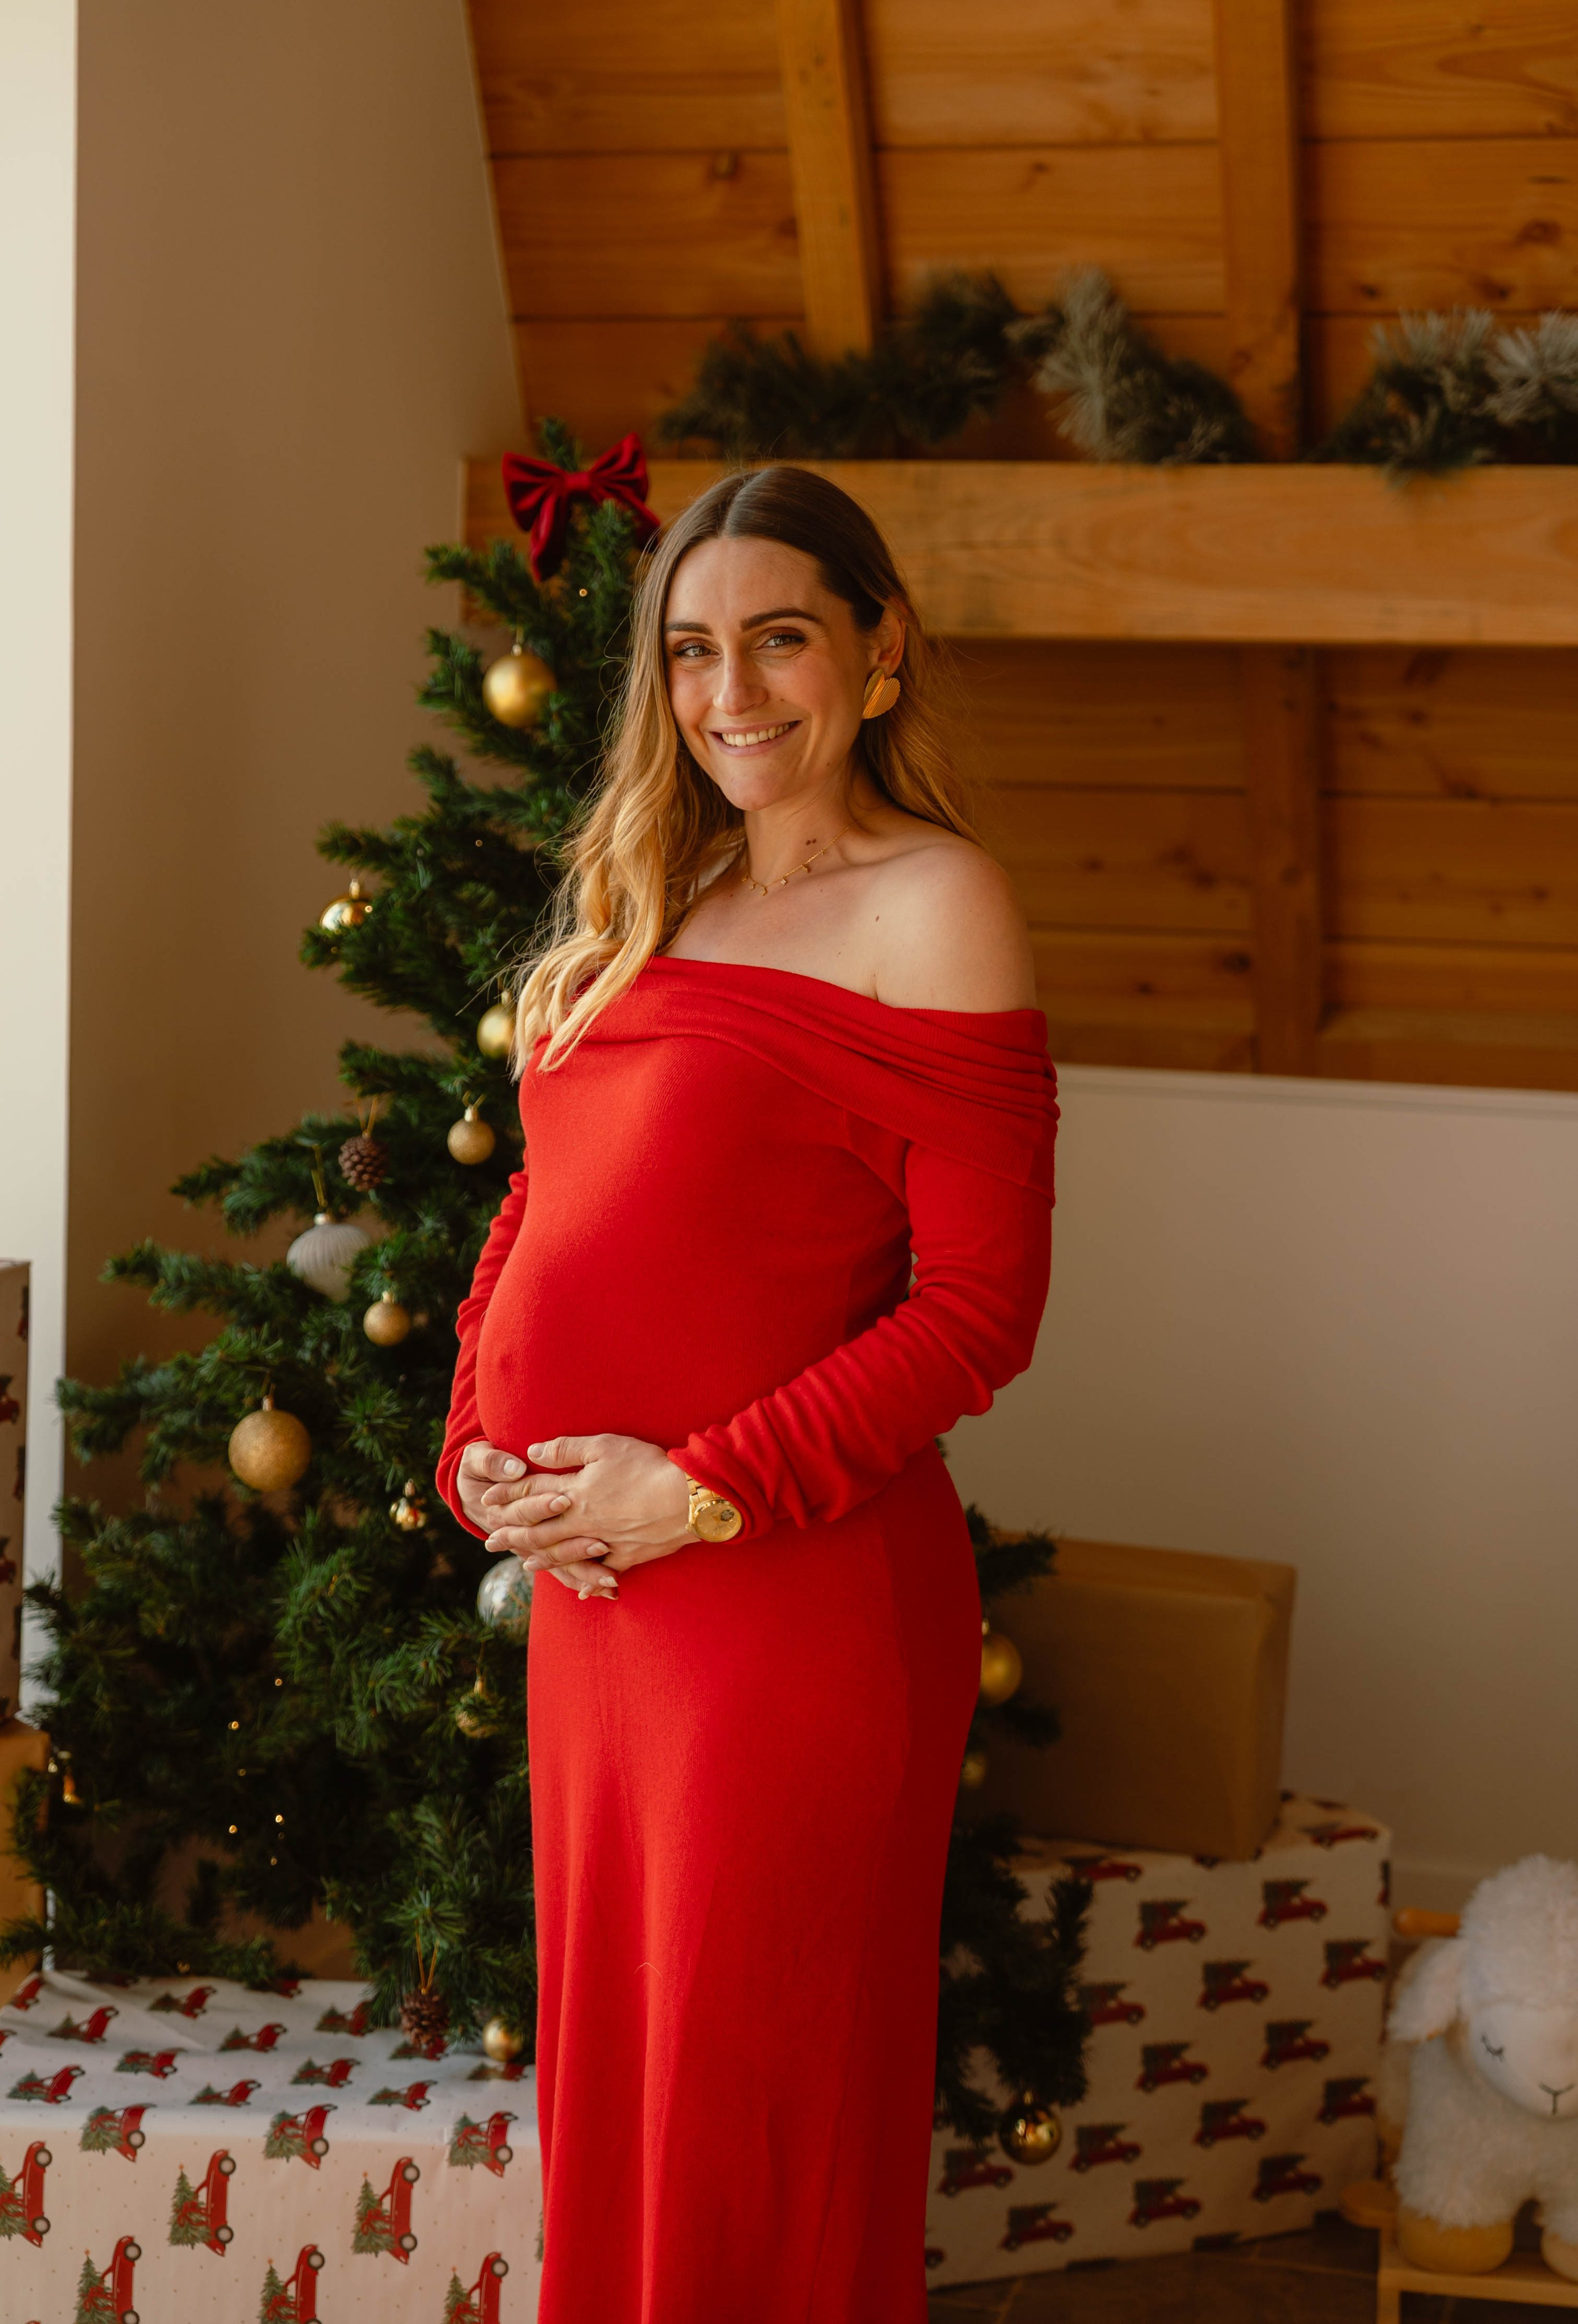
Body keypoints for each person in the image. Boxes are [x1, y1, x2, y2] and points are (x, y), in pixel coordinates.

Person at [436, 464, 1057, 2324]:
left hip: (788, 1604)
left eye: (779, 638)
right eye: (693, 650)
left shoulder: (935, 902)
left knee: (758, 2116)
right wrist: (473, 1437)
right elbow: (537, 1204)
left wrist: (692, 1489)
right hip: (601, 1609)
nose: (732, 692)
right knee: (626, 2097)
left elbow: (980, 1312)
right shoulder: (660, 881)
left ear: (878, 656)